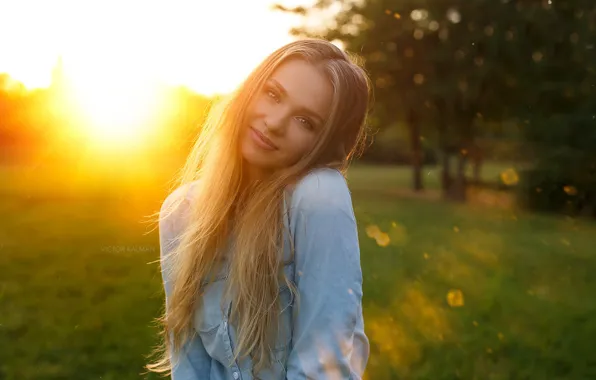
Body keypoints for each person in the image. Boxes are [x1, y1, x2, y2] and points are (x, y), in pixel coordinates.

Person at [147, 38, 373, 379]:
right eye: (273, 94)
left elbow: (325, 367)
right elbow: (189, 363)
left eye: (306, 121)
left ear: (324, 144)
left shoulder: (319, 197)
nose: (275, 122)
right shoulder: (182, 212)